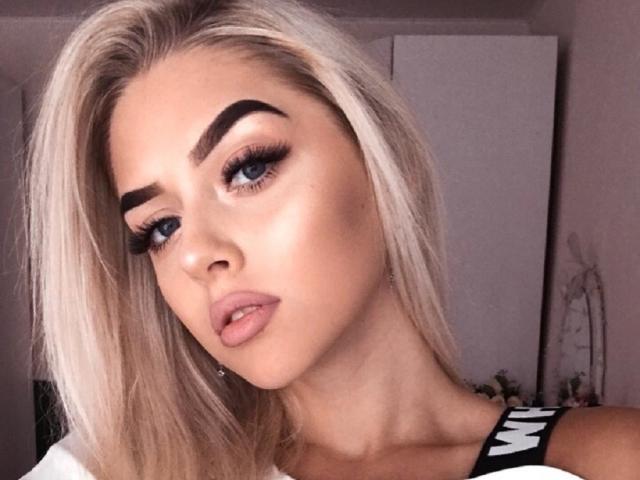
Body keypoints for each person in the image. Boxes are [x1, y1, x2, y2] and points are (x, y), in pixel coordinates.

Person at [19, 0, 640, 479]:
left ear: (380, 160)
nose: (196, 254)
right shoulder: (118, 467)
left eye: (248, 168)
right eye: (160, 227)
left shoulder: (604, 459)